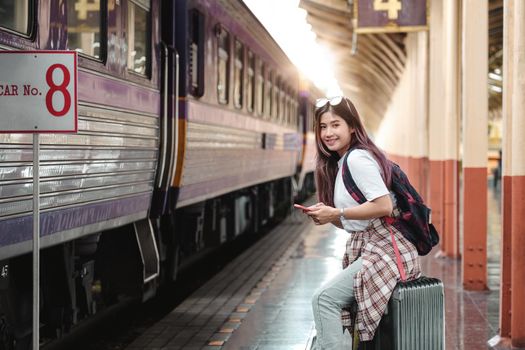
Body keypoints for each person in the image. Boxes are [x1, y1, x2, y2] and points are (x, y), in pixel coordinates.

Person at [304, 96, 421, 349]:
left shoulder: (357, 159)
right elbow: (357, 222)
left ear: (352, 127)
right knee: (329, 300)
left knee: (324, 299)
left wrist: (337, 213)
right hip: (375, 246)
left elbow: (383, 206)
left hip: (387, 250)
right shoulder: (344, 161)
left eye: (336, 125)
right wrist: (329, 215)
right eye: (323, 127)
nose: (328, 133)